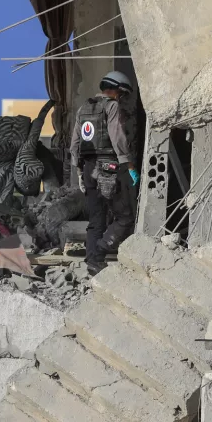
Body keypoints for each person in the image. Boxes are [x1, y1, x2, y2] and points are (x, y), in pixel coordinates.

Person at [70, 71, 139, 276]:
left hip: (89, 167)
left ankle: (93, 261)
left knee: (96, 219)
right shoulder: (112, 106)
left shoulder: (83, 108)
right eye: (122, 94)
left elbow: (74, 144)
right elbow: (117, 137)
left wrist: (80, 171)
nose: (121, 98)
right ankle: (101, 249)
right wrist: (129, 165)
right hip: (108, 168)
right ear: (117, 90)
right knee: (125, 217)